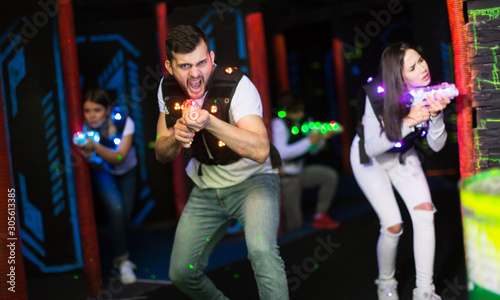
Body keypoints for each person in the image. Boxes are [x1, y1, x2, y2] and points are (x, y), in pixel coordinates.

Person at [155, 25, 288, 299]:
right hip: (207, 187)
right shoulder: (166, 89)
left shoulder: (237, 85)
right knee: (181, 273)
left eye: (202, 63)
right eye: (185, 66)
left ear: (212, 58)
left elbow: (261, 149)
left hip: (254, 181)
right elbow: (161, 153)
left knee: (262, 251)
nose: (195, 74)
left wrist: (209, 121)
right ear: (169, 66)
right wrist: (174, 137)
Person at [350, 42, 450, 300]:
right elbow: (372, 147)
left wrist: (436, 116)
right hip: (369, 161)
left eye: (421, 60)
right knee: (393, 225)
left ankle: (425, 291)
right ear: (399, 75)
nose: (423, 68)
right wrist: (409, 121)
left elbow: (437, 146)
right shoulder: (376, 93)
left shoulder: (430, 90)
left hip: (403, 156)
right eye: (413, 67)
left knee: (425, 213)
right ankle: (385, 282)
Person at [78, 88, 138, 284]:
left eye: (96, 110)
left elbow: (120, 157)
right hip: (104, 172)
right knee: (116, 209)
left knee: (124, 215)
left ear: (107, 110)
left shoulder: (124, 122)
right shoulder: (85, 131)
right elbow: (94, 163)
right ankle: (123, 260)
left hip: (127, 171)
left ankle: (118, 254)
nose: (91, 115)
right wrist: (88, 154)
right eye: (87, 111)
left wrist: (94, 146)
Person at [272, 92, 342, 231]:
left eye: (302, 110)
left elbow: (312, 151)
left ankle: (320, 216)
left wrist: (321, 139)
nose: (301, 113)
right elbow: (281, 153)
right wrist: (308, 141)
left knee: (330, 176)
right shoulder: (278, 123)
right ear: (286, 111)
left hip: (300, 172)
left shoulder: (304, 122)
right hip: (286, 178)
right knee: (295, 225)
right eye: (297, 110)